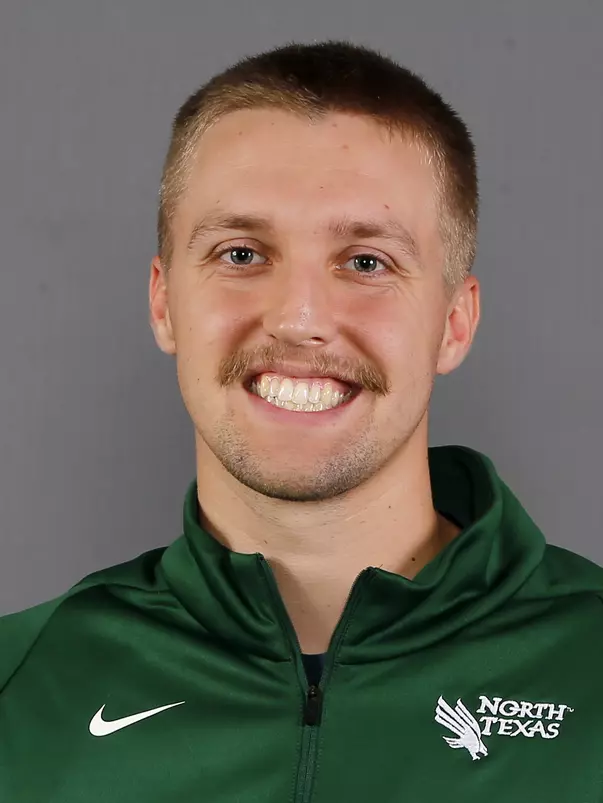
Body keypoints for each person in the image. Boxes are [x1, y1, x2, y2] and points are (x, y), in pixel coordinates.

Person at [0, 40, 601, 802]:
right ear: (163, 302)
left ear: (454, 321)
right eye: (242, 252)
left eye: (365, 263)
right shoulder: (22, 694)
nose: (300, 318)